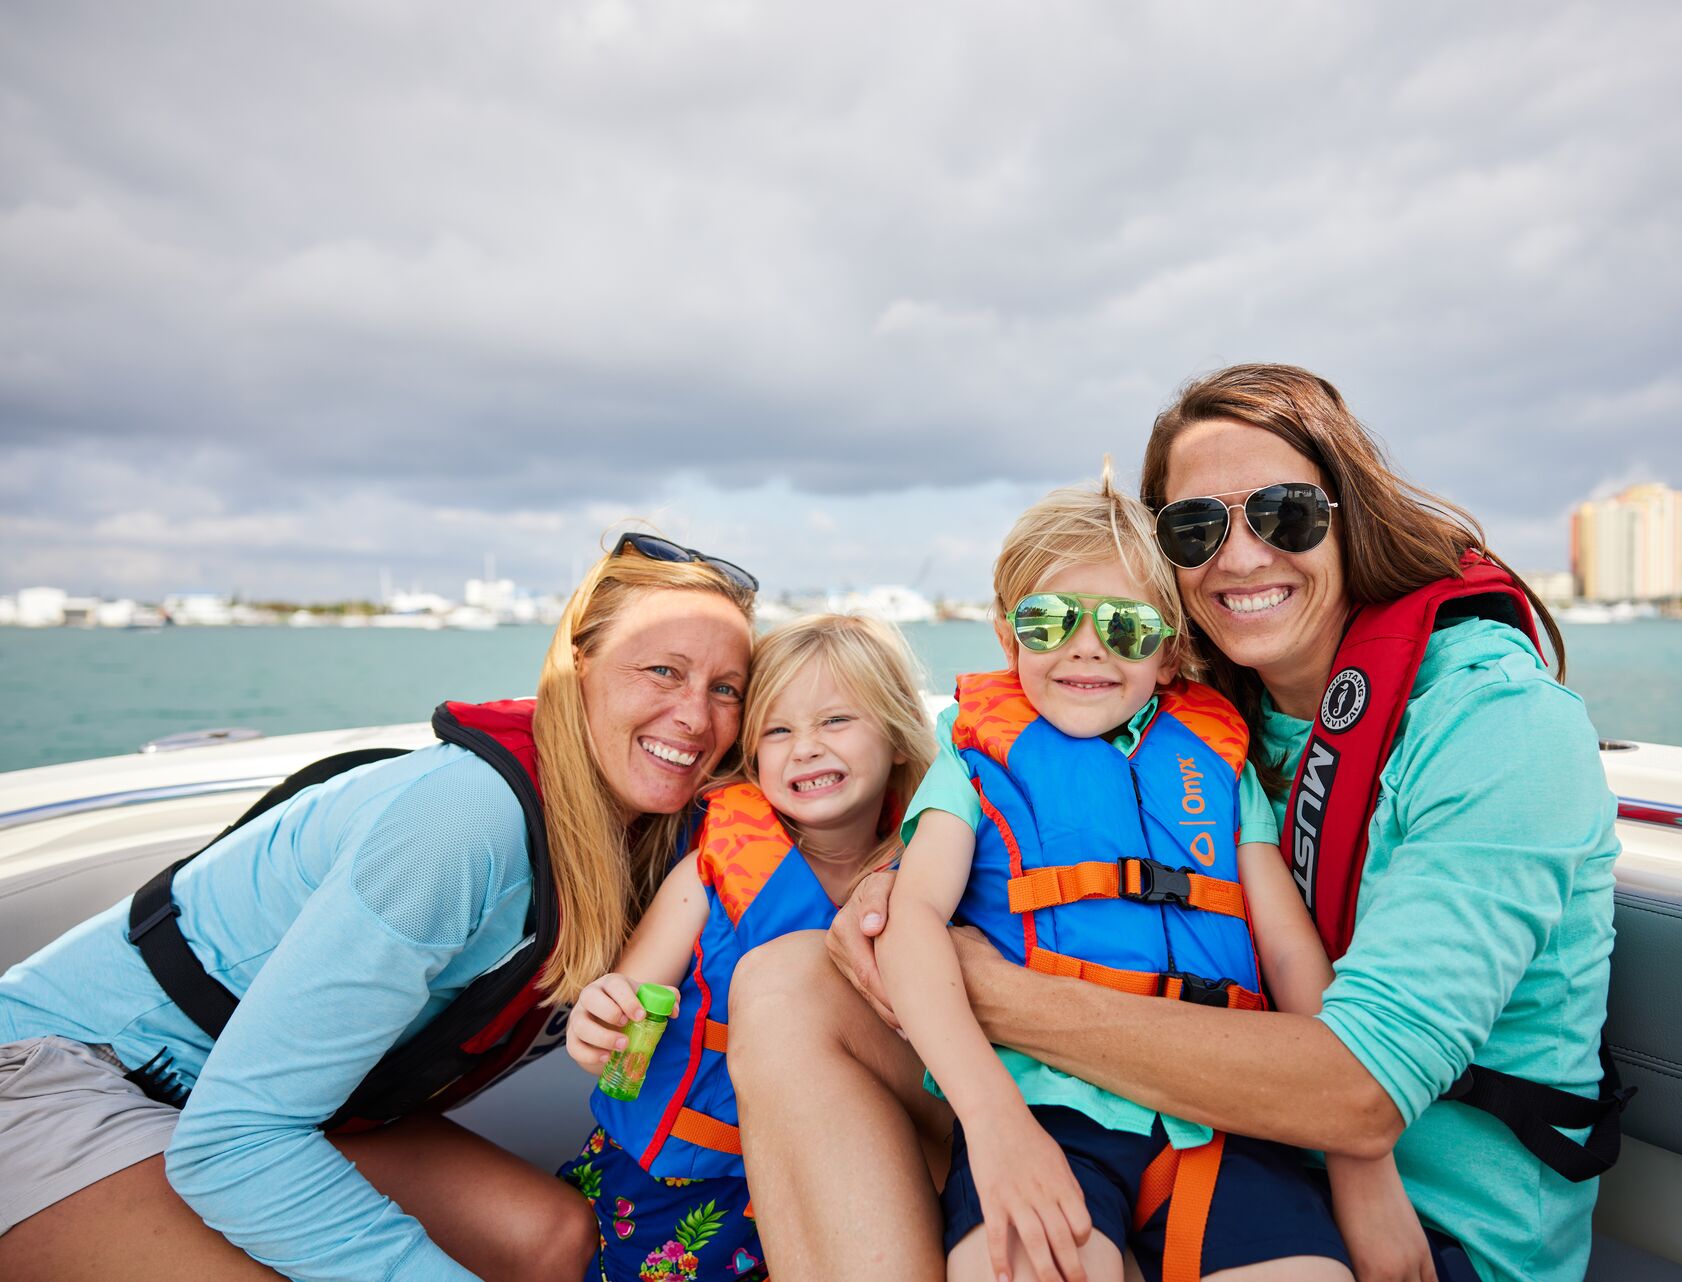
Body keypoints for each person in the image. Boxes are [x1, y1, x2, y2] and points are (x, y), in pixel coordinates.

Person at [727, 366, 1622, 1282]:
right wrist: (900, 885)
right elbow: (1042, 814)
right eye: (1197, 529)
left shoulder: (1498, 724)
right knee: (786, 984)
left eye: (1287, 513)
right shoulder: (1210, 701)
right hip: (1115, 1121)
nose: (1239, 558)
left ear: (1352, 510)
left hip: (1416, 1227)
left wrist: (980, 985)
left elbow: (1358, 1094)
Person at [0, 533, 757, 1282]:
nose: (696, 717)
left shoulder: (658, 843)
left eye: (727, 688)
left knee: (551, 1240)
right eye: (663, 670)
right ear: (576, 666)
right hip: (68, 1072)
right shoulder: (462, 823)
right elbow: (233, 1140)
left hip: (257, 1099)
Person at [879, 472, 1367, 1282]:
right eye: (1048, 621)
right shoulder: (969, 756)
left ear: (1170, 651)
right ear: (1007, 639)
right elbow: (910, 924)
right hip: (1044, 1114)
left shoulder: (1218, 757)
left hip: (1220, 1117)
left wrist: (1358, 1164)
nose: (1085, 646)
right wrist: (994, 1123)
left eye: (1127, 627)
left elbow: (1288, 952)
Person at [556, 613, 935, 1282]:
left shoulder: (933, 875)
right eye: (778, 730)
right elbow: (621, 1023)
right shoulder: (707, 876)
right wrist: (599, 1024)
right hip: (669, 1192)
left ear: (899, 735)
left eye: (836, 721)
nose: (806, 749)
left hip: (842, 1183)